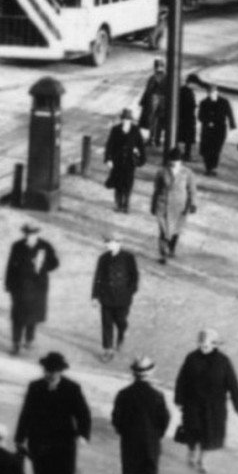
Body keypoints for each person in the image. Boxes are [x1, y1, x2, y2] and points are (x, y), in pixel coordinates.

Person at [14, 352, 92, 474]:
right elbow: (26, 413)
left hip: (63, 442)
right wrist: (20, 438)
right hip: (39, 440)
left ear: (60, 372)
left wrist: (83, 434)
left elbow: (83, 413)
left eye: (53, 371)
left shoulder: (72, 388)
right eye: (47, 370)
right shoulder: (35, 387)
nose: (49, 374)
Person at [173, 329, 238, 474]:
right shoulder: (191, 358)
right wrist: (179, 398)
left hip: (214, 407)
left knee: (209, 434)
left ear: (214, 345)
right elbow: (182, 379)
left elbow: (233, 384)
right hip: (193, 404)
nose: (203, 347)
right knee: (192, 432)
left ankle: (202, 461)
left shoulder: (223, 361)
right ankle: (192, 452)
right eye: (201, 344)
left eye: (207, 344)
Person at [110, 357, 171, 474]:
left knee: (134, 469)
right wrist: (158, 434)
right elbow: (164, 419)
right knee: (149, 470)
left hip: (130, 439)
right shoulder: (157, 396)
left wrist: (122, 431)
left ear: (134, 374)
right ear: (150, 374)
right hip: (150, 439)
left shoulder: (123, 394)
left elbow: (116, 417)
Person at [4, 223, 59, 355]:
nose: (30, 236)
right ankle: (15, 343)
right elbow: (10, 266)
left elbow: (55, 263)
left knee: (33, 315)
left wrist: (43, 266)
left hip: (37, 287)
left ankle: (29, 340)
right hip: (20, 286)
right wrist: (8, 284)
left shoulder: (45, 246)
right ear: (25, 234)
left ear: (37, 234)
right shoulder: (17, 246)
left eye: (33, 234)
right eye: (28, 234)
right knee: (17, 317)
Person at [90, 233, 140, 362]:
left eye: (110, 242)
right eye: (106, 242)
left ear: (118, 243)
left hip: (123, 298)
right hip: (106, 296)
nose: (107, 244)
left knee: (121, 321)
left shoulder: (128, 258)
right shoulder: (103, 258)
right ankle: (108, 350)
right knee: (106, 324)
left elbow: (134, 276)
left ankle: (121, 335)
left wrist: (130, 291)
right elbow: (98, 278)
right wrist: (95, 296)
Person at [151, 152, 198, 263]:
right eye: (171, 160)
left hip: (179, 207)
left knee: (176, 230)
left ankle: (171, 249)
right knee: (164, 231)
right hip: (163, 205)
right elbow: (156, 189)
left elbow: (192, 190)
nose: (173, 163)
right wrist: (153, 205)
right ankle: (163, 254)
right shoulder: (161, 172)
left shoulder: (187, 173)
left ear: (180, 161)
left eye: (176, 161)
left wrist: (193, 204)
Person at [105, 109, 148, 211]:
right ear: (121, 119)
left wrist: (141, 160)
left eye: (128, 119)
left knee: (128, 184)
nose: (125, 121)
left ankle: (126, 204)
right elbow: (109, 145)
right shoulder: (115, 130)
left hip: (130, 162)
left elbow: (141, 146)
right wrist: (108, 159)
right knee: (118, 184)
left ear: (131, 120)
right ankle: (119, 204)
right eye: (124, 119)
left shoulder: (135, 130)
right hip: (117, 162)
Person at [196, 83, 236, 176]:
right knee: (206, 149)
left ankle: (213, 167)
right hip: (207, 130)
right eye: (209, 92)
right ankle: (208, 167)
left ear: (217, 92)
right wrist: (207, 121)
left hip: (220, 129)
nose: (211, 94)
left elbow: (229, 114)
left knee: (216, 148)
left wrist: (232, 125)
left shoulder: (224, 102)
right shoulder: (204, 102)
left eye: (213, 92)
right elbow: (200, 116)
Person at [140, 60, 167, 147]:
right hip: (163, 102)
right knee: (159, 122)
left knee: (152, 121)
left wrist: (143, 101)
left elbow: (148, 91)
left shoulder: (153, 78)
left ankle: (151, 140)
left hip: (153, 101)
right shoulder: (167, 78)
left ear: (155, 67)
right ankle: (157, 140)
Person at [176, 75, 200, 160]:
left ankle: (183, 153)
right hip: (186, 118)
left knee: (184, 137)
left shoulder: (185, 90)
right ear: (191, 83)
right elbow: (186, 105)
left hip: (185, 118)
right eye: (196, 84)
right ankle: (186, 155)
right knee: (187, 137)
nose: (197, 86)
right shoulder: (186, 91)